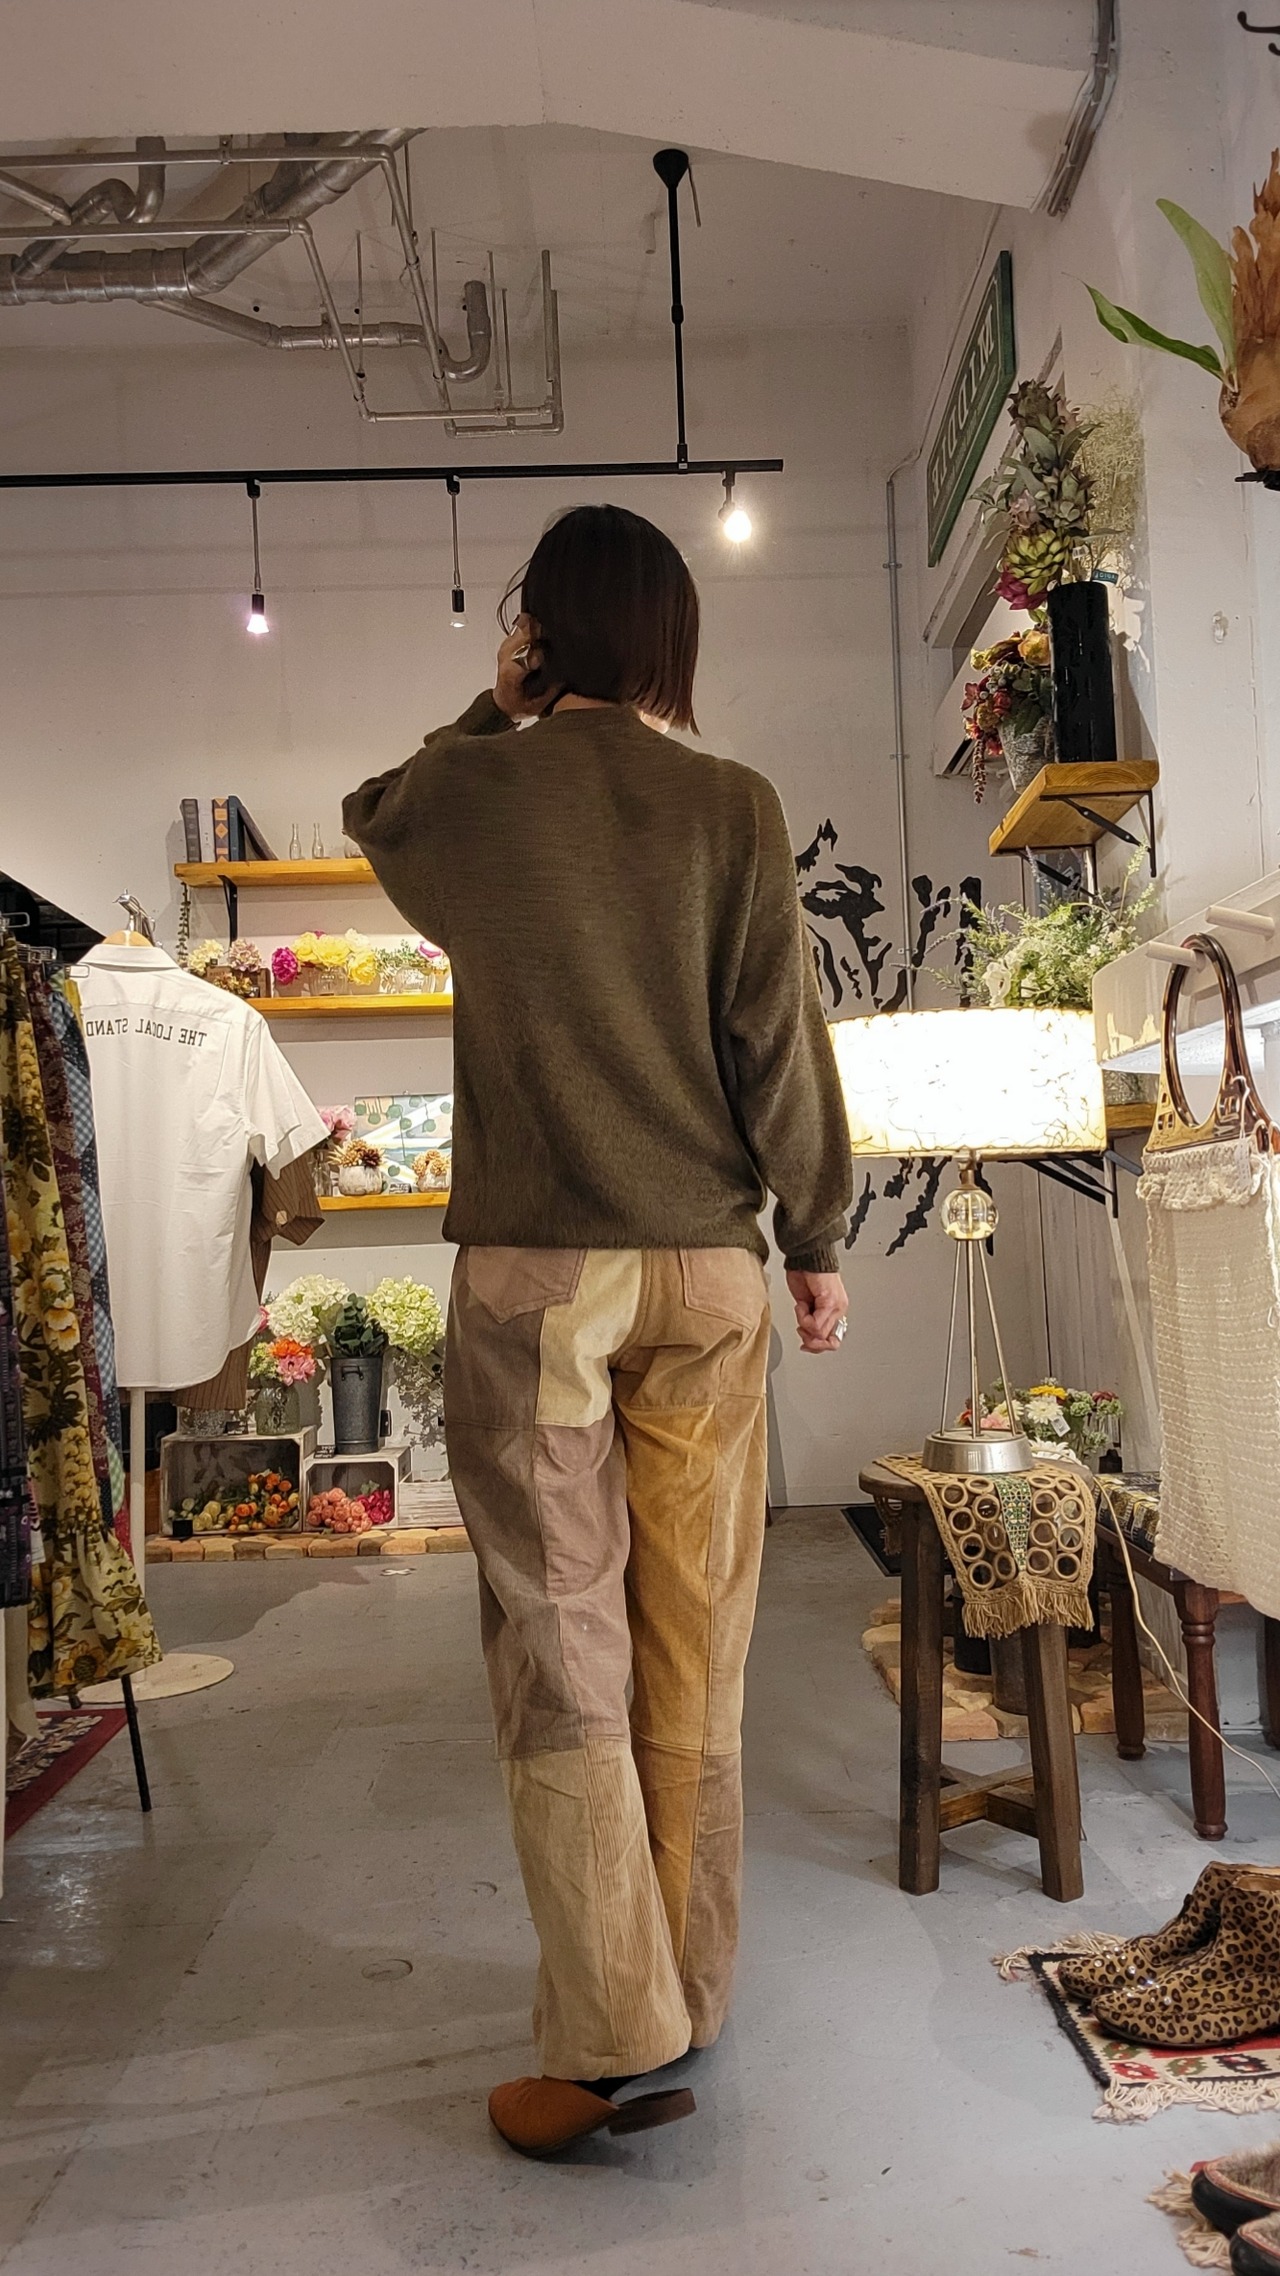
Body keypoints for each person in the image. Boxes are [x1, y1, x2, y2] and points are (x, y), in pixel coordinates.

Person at [344, 503, 852, 2158]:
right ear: (671, 641)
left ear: (538, 629)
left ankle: (610, 2028)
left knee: (562, 1642)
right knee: (697, 1631)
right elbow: (778, 1040)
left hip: (539, 1277)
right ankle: (690, 1985)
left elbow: (376, 812)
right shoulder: (732, 804)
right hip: (705, 1271)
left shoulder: (476, 793)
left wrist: (495, 706)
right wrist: (815, 1239)